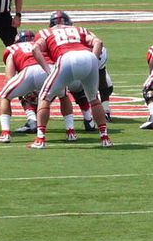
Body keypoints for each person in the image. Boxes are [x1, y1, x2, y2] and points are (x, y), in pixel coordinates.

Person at [27, 11, 111, 149]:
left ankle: (40, 139)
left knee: (44, 97)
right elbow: (98, 42)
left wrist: (49, 71)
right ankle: (105, 138)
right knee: (94, 99)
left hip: (66, 58)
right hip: (88, 57)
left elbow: (35, 49)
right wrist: (94, 61)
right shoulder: (80, 29)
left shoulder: (45, 32)